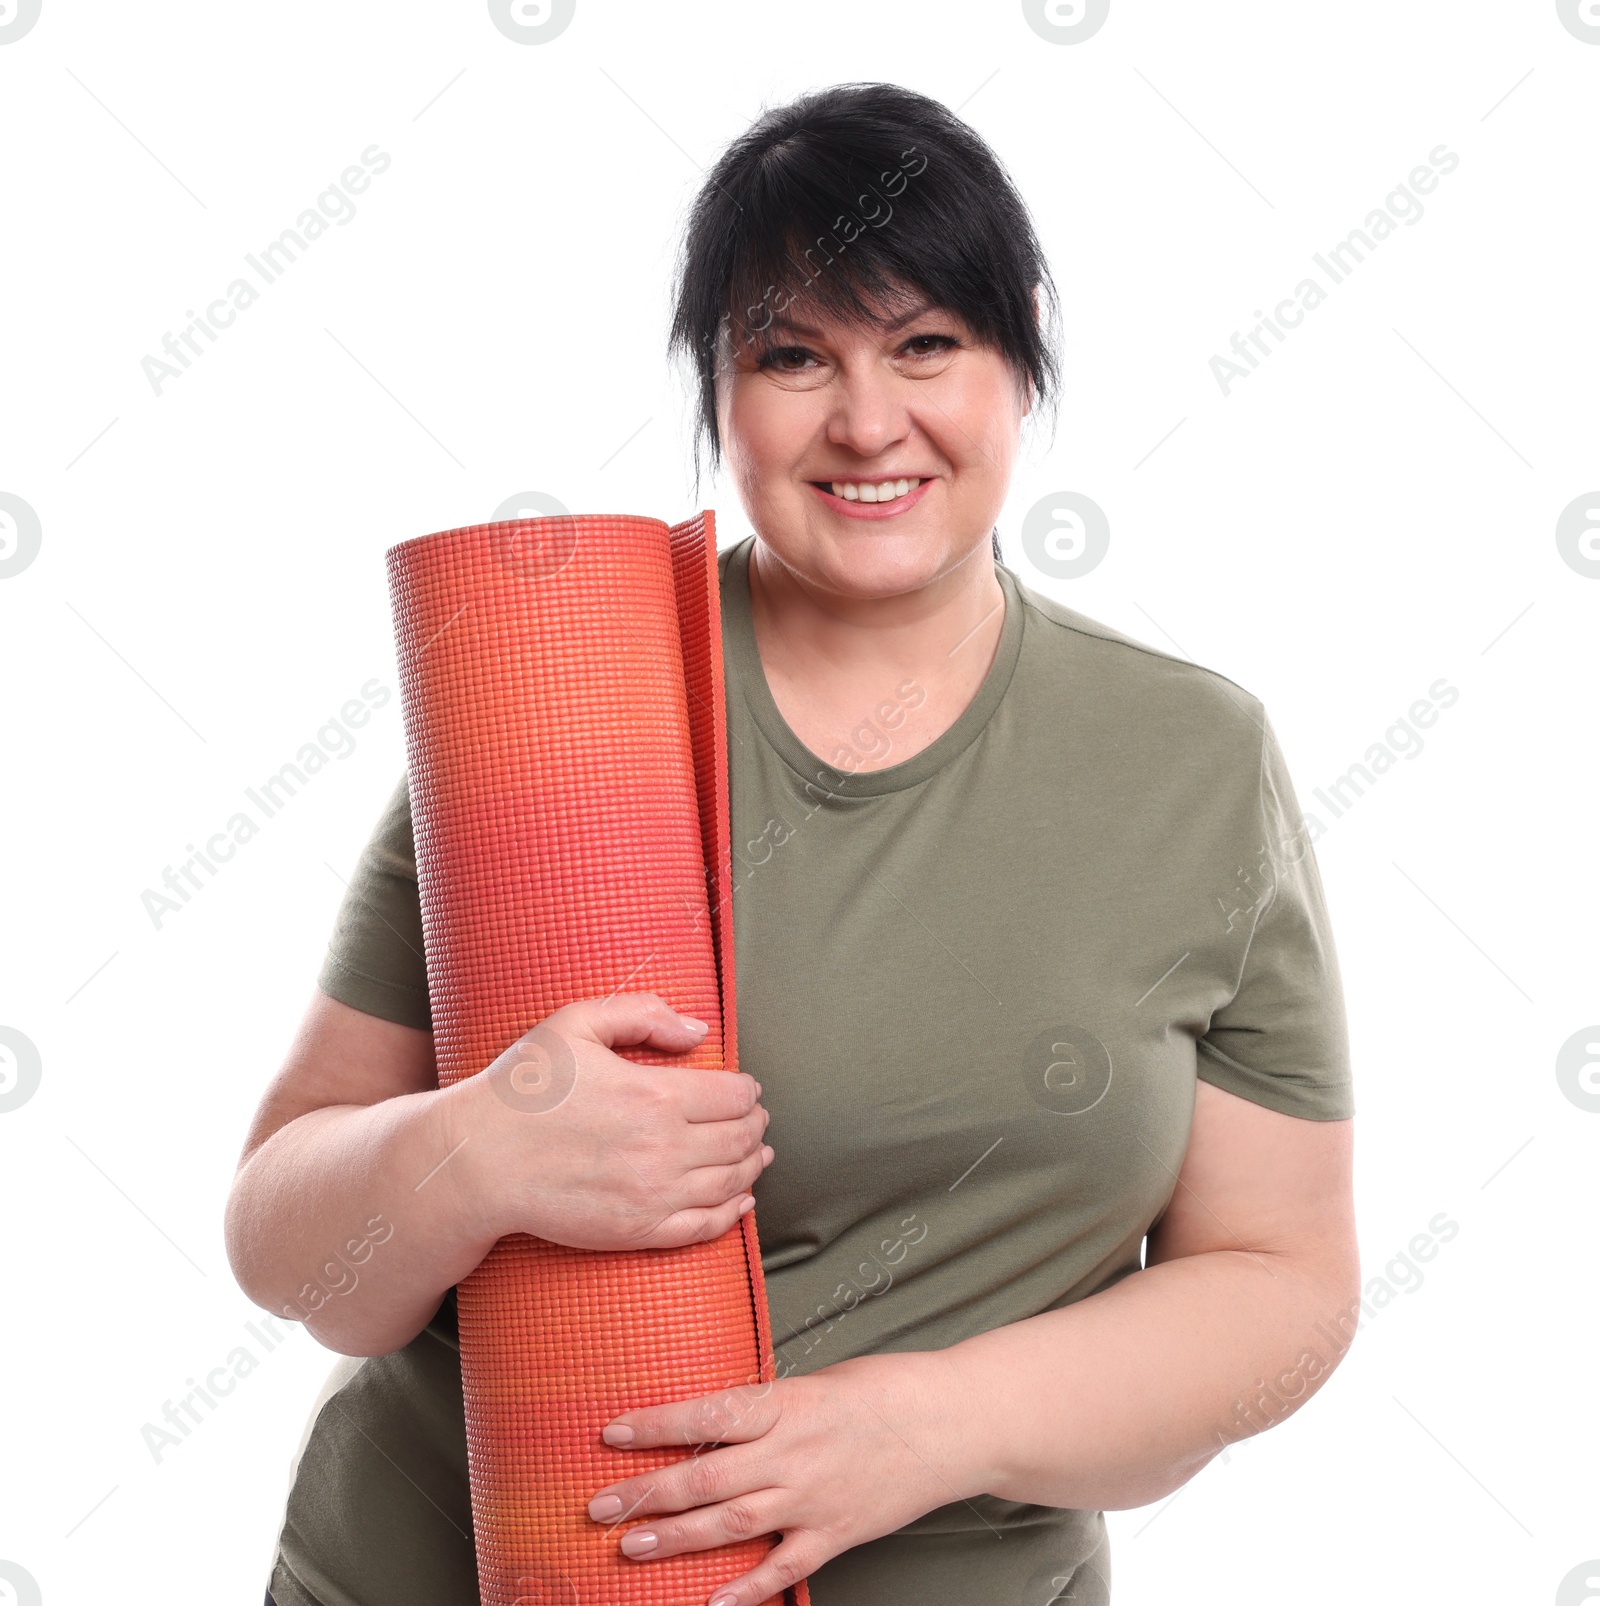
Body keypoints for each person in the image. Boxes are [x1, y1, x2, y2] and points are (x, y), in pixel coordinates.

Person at [226, 81, 1358, 1606]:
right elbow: (289, 1246)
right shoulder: (558, 701)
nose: (868, 420)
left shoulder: (1193, 763)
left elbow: (1284, 1283)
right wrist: (471, 1147)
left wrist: (932, 1423)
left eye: (926, 345)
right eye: (791, 355)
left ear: (1020, 349)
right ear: (719, 389)